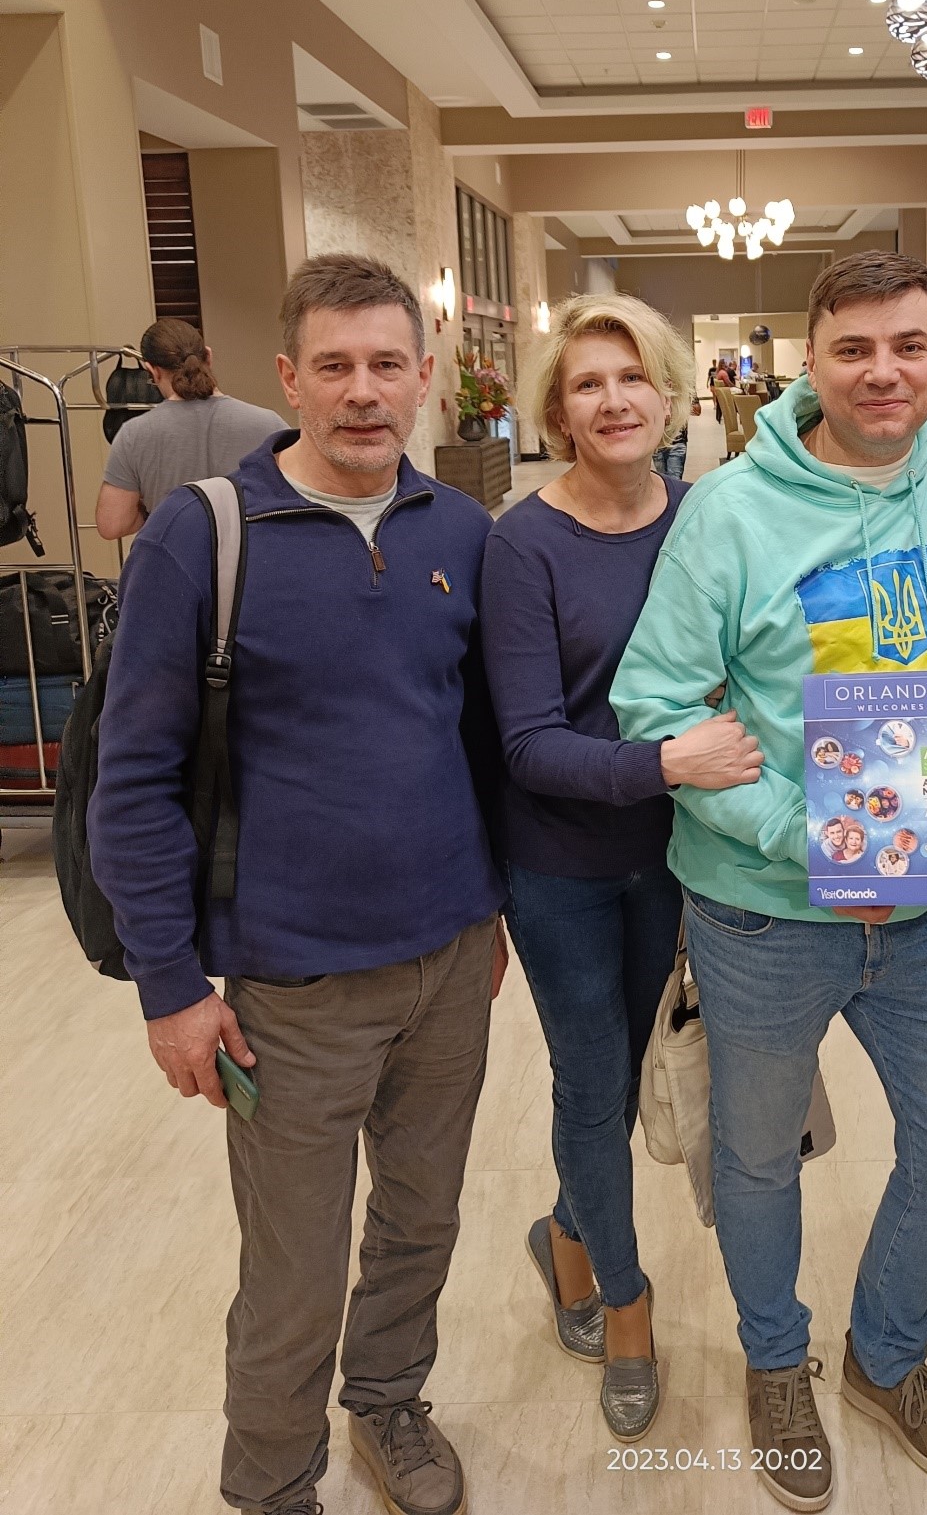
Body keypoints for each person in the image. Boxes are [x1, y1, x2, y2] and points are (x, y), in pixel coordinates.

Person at [611, 250, 927, 1509]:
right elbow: (654, 706)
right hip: (762, 910)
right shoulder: (729, 511)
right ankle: (776, 1361)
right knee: (758, 1159)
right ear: (807, 362)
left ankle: (884, 1354)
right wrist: (802, 838)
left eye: (910, 346)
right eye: (854, 349)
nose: (884, 372)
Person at [89, 254, 507, 1515]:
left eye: (386, 365)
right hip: (289, 984)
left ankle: (388, 1401)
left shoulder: (460, 532)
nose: (362, 392)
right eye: (334, 366)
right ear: (289, 379)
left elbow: (480, 743)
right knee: (292, 1272)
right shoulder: (203, 534)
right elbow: (132, 778)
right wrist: (172, 985)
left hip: (449, 963)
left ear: (424, 377)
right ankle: (272, 1485)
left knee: (422, 1222)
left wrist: (488, 909)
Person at [481, 294, 761, 1440]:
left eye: (633, 376)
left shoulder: (710, 516)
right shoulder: (522, 545)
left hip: (688, 858)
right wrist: (665, 762)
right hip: (563, 866)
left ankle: (563, 1232)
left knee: (651, 1075)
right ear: (557, 411)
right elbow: (526, 744)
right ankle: (626, 1306)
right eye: (587, 383)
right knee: (591, 1085)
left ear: (671, 394)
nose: (613, 400)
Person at [95, 318, 288, 539]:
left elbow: (113, 524)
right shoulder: (269, 424)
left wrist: (152, 507)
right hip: (253, 556)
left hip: (172, 557)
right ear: (208, 357)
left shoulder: (133, 435)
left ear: (152, 371)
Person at [652, 389, 701, 481]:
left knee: (673, 480)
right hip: (658, 441)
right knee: (662, 480)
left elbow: (697, 411)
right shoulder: (653, 388)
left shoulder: (684, 388)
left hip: (677, 440)